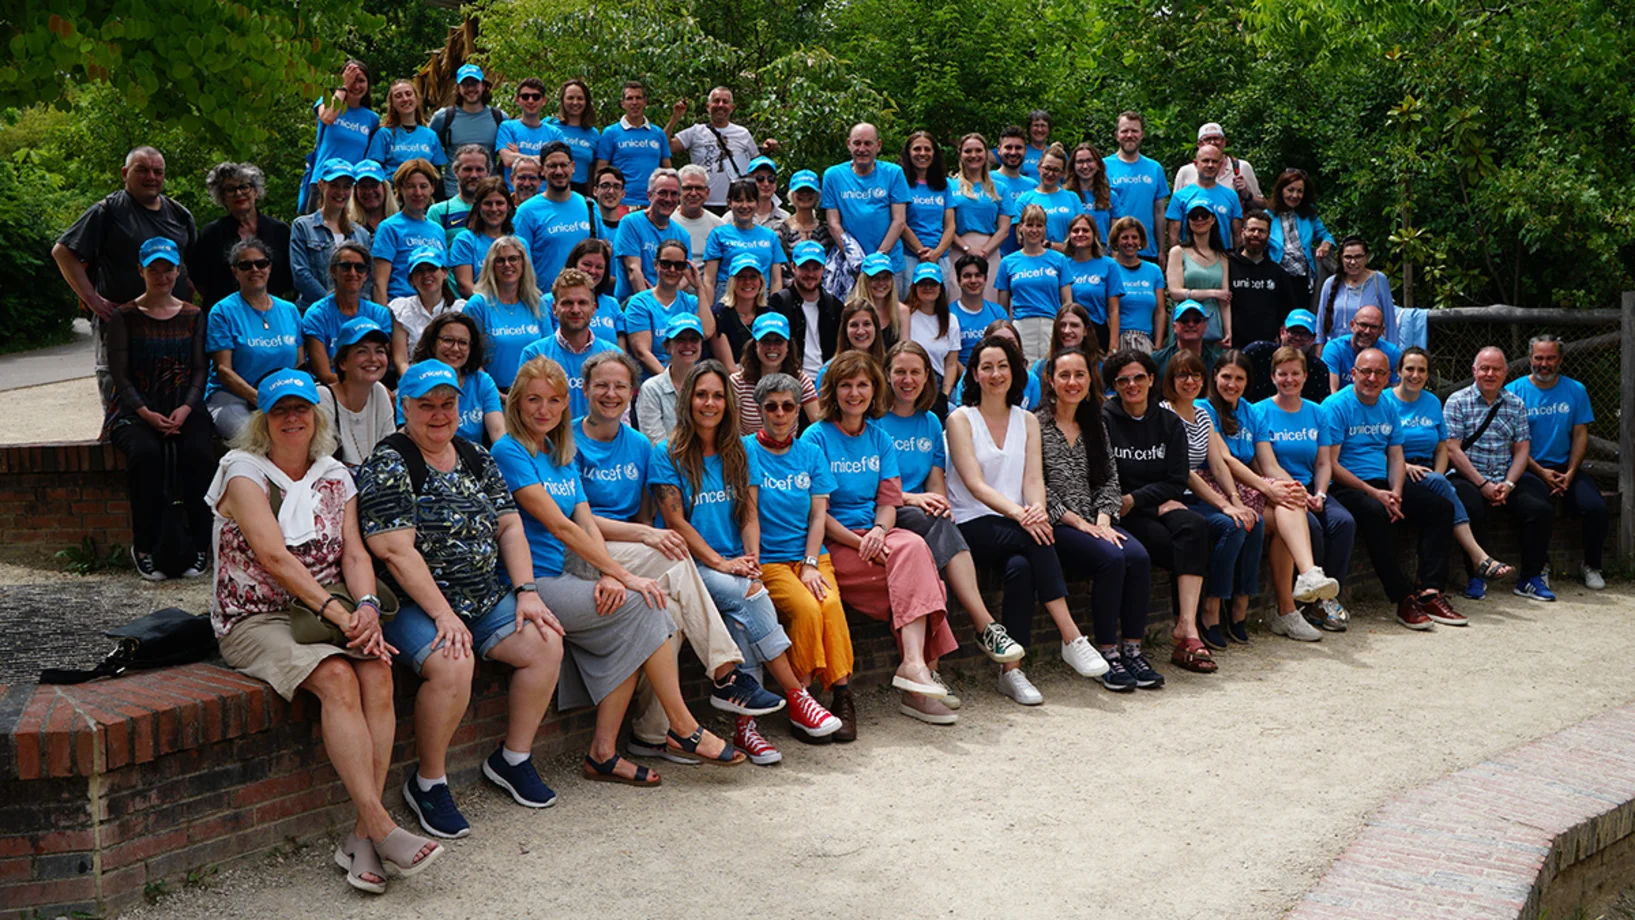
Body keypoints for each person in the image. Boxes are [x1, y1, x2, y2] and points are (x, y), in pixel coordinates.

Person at [207, 368, 443, 892]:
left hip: (324, 613)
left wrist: (363, 607)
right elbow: (273, 557)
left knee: (378, 673)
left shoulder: (335, 475)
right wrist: (341, 617)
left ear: (318, 417)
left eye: (302, 409)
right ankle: (382, 824)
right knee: (337, 676)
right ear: (263, 421)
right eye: (281, 410)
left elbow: (355, 553)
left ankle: (361, 838)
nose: (293, 418)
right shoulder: (242, 472)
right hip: (255, 618)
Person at [493, 356, 746, 781]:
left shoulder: (558, 449)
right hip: (536, 581)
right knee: (645, 605)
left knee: (644, 604)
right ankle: (681, 724)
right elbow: (558, 525)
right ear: (516, 401)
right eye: (533, 399)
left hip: (571, 573)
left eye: (554, 400)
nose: (544, 409)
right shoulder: (509, 450)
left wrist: (610, 573)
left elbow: (585, 518)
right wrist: (623, 574)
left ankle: (604, 754)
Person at [357, 361, 565, 836]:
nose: (438, 414)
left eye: (447, 404)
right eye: (425, 405)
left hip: (483, 598)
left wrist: (527, 592)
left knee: (544, 642)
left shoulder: (473, 453)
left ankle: (513, 759)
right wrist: (443, 614)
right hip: (414, 605)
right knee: (453, 661)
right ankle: (428, 783)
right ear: (403, 407)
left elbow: (509, 524)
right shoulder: (391, 461)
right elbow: (393, 548)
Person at [567, 351, 765, 762]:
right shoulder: (567, 441)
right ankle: (726, 673)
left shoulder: (639, 444)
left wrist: (641, 544)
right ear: (584, 389)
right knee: (676, 557)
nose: (610, 393)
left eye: (620, 386)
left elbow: (643, 512)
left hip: (630, 553)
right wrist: (619, 562)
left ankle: (652, 734)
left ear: (632, 393)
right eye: (601, 385)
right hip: (580, 552)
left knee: (668, 611)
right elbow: (573, 519)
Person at [649, 361, 843, 761]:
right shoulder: (666, 452)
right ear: (689, 399)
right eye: (702, 394)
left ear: (729, 402)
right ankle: (797, 696)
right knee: (750, 595)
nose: (710, 403)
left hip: (732, 563)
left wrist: (750, 558)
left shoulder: (737, 451)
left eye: (718, 395)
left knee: (742, 611)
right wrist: (722, 564)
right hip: (688, 564)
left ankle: (746, 730)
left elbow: (749, 515)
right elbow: (675, 521)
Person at [801, 351, 962, 727]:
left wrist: (878, 531)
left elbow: (889, 502)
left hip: (875, 537)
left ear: (874, 390)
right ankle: (916, 685)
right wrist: (860, 543)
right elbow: (816, 514)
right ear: (833, 390)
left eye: (862, 385)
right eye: (846, 385)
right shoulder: (815, 437)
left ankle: (914, 669)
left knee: (914, 555)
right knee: (926, 580)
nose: (854, 393)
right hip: (834, 543)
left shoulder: (879, 438)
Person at [948, 335, 1109, 705]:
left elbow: (1033, 479)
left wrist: (1036, 509)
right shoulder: (961, 419)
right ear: (973, 373)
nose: (995, 373)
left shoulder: (1027, 420)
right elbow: (973, 484)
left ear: (1015, 371)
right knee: (1035, 539)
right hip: (972, 522)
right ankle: (1071, 637)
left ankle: (1012, 672)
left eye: (1003, 365)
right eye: (986, 367)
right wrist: (1024, 515)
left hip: (1018, 525)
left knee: (1022, 567)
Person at [879, 341, 1025, 686]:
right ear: (887, 375)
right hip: (887, 508)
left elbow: (936, 478)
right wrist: (914, 499)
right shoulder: (875, 421)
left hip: (922, 513)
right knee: (938, 527)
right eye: (900, 371)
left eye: (916, 371)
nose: (908, 379)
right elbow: (868, 483)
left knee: (942, 528)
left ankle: (931, 669)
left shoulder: (930, 421)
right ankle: (984, 625)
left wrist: (940, 502)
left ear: (928, 375)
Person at [1035, 347, 1159, 691]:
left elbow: (1109, 479)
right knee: (1111, 559)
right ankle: (1107, 654)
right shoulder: (1036, 424)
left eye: (1080, 375)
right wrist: (1079, 523)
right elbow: (1036, 484)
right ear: (1050, 379)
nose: (1072, 382)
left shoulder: (1096, 422)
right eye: (1065, 375)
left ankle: (1132, 649)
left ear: (1090, 380)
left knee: (1139, 556)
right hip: (1060, 525)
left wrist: (1104, 519)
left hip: (1098, 521)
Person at [744, 372, 856, 743]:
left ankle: (842, 695)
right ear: (760, 410)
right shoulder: (746, 450)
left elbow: (818, 515)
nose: (780, 414)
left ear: (797, 412)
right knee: (806, 609)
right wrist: (755, 566)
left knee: (830, 604)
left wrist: (810, 563)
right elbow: (750, 514)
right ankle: (802, 697)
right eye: (771, 406)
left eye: (788, 407)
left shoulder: (810, 452)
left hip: (809, 554)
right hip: (771, 559)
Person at [1324, 348, 1462, 630]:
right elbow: (1331, 464)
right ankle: (1402, 598)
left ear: (1389, 377)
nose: (1372, 378)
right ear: (1353, 374)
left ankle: (1430, 591)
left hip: (1385, 483)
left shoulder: (1387, 406)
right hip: (1348, 484)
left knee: (1440, 508)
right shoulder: (1336, 405)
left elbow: (1396, 454)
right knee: (1377, 513)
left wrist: (1396, 492)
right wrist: (1377, 494)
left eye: (1379, 373)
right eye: (1365, 372)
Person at [1206, 351, 1340, 642]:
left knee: (1288, 508)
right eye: (1226, 376)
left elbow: (1268, 463)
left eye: (1239, 378)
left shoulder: (1250, 412)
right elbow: (1226, 460)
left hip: (1247, 486)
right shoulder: (1205, 409)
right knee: (1286, 508)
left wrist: (1293, 487)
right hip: (1216, 487)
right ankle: (1293, 599)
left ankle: (1300, 589)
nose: (1232, 384)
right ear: (1214, 375)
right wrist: (1268, 488)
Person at [53, 146, 197, 404]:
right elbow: (63, 252)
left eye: (158, 171)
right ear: (124, 173)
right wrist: (93, 300)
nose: (151, 177)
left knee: (172, 395)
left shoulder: (179, 214)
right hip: (120, 323)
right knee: (120, 396)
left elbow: (191, 265)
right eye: (141, 170)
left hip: (172, 326)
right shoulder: (107, 211)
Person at [106, 238, 212, 580]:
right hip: (136, 410)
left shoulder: (194, 315)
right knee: (146, 455)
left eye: (168, 268)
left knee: (199, 453)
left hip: (183, 403)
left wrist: (185, 408)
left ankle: (199, 544)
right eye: (154, 268)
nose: (162, 275)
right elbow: (119, 376)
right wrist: (146, 414)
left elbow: (199, 369)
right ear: (141, 271)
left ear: (178, 271)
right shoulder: (124, 317)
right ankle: (145, 546)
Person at [1101, 349, 1209, 673]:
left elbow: (1176, 480)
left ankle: (1187, 626)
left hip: (1150, 503)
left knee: (1197, 526)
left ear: (1151, 380)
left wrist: (1139, 497)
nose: (1132, 385)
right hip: (1121, 511)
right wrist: (1137, 501)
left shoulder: (1169, 422)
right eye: (1123, 380)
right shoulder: (1105, 419)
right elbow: (1105, 476)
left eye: (1138, 377)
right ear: (1115, 386)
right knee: (1170, 545)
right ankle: (1188, 632)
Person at [1385, 346, 1515, 601]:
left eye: (1422, 370)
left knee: (1441, 502)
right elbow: (1379, 446)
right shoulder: (1385, 402)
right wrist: (1405, 466)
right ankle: (1479, 556)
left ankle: (1434, 584)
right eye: (1409, 368)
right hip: (1399, 469)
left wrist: (1438, 474)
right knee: (1443, 504)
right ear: (1398, 371)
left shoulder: (1432, 402)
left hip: (1430, 472)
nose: (1415, 375)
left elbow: (1442, 447)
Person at [1160, 352, 1264, 653]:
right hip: (1177, 497)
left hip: (1204, 495)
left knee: (1253, 521)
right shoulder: (1165, 413)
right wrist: (1225, 506)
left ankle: (1240, 601)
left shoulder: (1204, 415)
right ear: (1171, 379)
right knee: (1232, 526)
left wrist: (1235, 499)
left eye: (1195, 375)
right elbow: (1186, 472)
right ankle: (1211, 606)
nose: (1189, 381)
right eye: (1182, 375)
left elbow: (1217, 464)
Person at [1254, 346, 1357, 633]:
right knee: (1310, 526)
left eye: (1295, 373)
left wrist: (1321, 493)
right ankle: (1302, 601)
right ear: (1273, 377)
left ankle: (1325, 599)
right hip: (1280, 486)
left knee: (1343, 522)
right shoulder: (1259, 411)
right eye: (1282, 374)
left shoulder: (1316, 412)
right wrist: (1299, 491)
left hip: (1313, 486)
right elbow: (1264, 464)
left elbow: (1324, 462)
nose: (1289, 379)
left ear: (1305, 376)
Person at [1443, 347, 1555, 601]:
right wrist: (1483, 484)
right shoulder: (1457, 401)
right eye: (1484, 368)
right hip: (1467, 474)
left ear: (1506, 373)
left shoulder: (1515, 404)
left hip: (1506, 475)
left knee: (1540, 509)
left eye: (1495, 369)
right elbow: (1452, 449)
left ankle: (1530, 577)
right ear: (1474, 371)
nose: (1489, 373)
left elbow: (1522, 449)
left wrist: (1509, 484)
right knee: (1471, 506)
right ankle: (1476, 575)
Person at [1508, 334, 1607, 589]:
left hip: (1565, 467)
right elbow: (1511, 441)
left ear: (1560, 359)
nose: (1544, 363)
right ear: (1530, 358)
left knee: (1595, 507)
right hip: (1529, 467)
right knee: (1538, 509)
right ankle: (1540, 566)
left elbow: (1580, 434)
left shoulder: (1576, 390)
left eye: (1550, 358)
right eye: (1539, 357)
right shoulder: (1514, 391)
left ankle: (1592, 565)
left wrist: (1571, 473)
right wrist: (1541, 472)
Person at [204, 239, 302, 439]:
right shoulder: (222, 312)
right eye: (245, 265)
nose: (254, 269)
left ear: (270, 267)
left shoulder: (290, 311)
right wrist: (261, 398)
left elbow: (300, 364)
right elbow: (224, 370)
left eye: (261, 263)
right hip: (233, 399)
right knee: (259, 439)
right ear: (235, 271)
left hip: (284, 399)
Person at [517, 269, 622, 418]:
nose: (575, 310)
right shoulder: (534, 354)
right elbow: (525, 411)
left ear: (593, 309)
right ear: (554, 309)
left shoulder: (614, 356)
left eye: (582, 303)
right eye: (567, 303)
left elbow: (621, 414)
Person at [822, 123, 911, 292]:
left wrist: (878, 259)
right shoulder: (833, 176)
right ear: (849, 144)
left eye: (868, 143)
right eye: (857, 143)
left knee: (890, 316)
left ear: (878, 146)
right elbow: (833, 223)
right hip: (851, 266)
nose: (862, 149)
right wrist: (856, 260)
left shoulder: (894, 173)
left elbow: (899, 220)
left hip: (889, 263)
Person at [190, 162, 292, 305]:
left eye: (244, 186)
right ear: (222, 197)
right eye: (230, 189)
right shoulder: (210, 234)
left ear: (256, 192)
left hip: (271, 312)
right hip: (225, 316)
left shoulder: (280, 231)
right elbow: (199, 280)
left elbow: (290, 278)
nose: (238, 193)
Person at [665, 87, 778, 208]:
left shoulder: (742, 133)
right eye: (716, 101)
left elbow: (756, 165)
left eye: (725, 102)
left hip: (736, 205)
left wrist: (768, 149)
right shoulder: (696, 132)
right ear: (708, 106)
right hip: (702, 203)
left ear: (732, 108)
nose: (720, 105)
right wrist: (675, 118)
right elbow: (664, 146)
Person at [301, 242, 394, 386]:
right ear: (333, 271)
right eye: (345, 266)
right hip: (330, 389)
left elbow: (379, 364)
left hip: (371, 385)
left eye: (360, 268)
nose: (353, 273)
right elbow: (324, 374)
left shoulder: (379, 314)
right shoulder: (317, 315)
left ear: (366, 275)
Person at [461, 236, 545, 392]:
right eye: (500, 260)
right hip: (491, 394)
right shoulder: (478, 305)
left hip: (532, 394)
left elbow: (548, 353)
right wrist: (494, 393)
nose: (507, 265)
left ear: (523, 263)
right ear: (491, 266)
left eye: (513, 259)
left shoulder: (537, 304)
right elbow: (469, 356)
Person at [407, 313, 504, 444]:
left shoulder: (482, 382)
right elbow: (407, 436)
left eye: (463, 343)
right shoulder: (414, 381)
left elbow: (498, 432)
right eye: (447, 340)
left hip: (474, 460)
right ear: (433, 344)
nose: (455, 348)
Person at [291, 160, 375, 310]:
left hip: (354, 314)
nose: (341, 192)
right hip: (314, 312)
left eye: (346, 187)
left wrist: (356, 307)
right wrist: (332, 305)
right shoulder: (303, 226)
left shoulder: (362, 234)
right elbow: (301, 274)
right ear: (321, 185)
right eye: (334, 185)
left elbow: (368, 279)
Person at [994, 204, 1071, 362]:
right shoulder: (1008, 262)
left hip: (1051, 325)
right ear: (1020, 227)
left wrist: (1064, 329)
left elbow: (1067, 302)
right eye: (1029, 225)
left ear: (1045, 229)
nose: (1034, 230)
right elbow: (1002, 306)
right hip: (1022, 325)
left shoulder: (1059, 259)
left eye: (1039, 225)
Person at [513, 141, 596, 286]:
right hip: (543, 301)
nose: (559, 171)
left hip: (583, 300)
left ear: (573, 167)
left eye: (564, 165)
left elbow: (600, 252)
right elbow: (518, 262)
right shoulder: (526, 212)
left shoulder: (588, 205)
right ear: (541, 170)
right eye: (552, 166)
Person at [318, 318, 396, 467]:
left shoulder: (379, 392)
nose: (373, 359)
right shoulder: (324, 397)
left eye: (379, 351)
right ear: (343, 362)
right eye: (362, 351)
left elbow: (390, 452)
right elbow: (322, 460)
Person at [301, 60, 378, 211]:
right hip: (323, 181)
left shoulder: (372, 118)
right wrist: (343, 87)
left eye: (361, 81)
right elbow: (328, 117)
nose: (356, 86)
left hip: (352, 186)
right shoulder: (327, 101)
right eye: (352, 80)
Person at [702, 178, 787, 307]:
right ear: (729, 203)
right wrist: (708, 313)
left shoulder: (770, 236)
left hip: (761, 299)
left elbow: (776, 280)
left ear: (757, 203)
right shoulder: (718, 235)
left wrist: (775, 310)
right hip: (726, 299)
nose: (744, 206)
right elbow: (709, 280)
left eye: (750, 200)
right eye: (739, 200)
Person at [948, 133, 1014, 298]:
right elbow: (947, 225)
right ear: (960, 154)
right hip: (957, 250)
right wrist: (966, 249)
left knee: (991, 299)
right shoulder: (948, 186)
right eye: (968, 151)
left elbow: (1004, 229)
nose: (973, 155)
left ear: (986, 154)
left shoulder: (1001, 188)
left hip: (990, 252)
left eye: (978, 150)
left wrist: (984, 252)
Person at [370, 159, 446, 302]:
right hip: (400, 309)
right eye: (411, 186)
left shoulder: (438, 230)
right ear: (400, 189)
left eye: (423, 186)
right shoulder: (389, 228)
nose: (418, 193)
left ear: (432, 188)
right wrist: (385, 320)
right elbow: (379, 283)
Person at [625, 241, 702, 380]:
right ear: (656, 265)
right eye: (666, 264)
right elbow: (642, 352)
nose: (672, 270)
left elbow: (708, 332)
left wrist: (699, 287)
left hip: (688, 379)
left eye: (679, 266)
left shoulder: (691, 302)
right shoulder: (640, 302)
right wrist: (670, 382)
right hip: (653, 383)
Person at [427, 64, 506, 200]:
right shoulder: (443, 118)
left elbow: (506, 157)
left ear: (483, 86)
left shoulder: (499, 118)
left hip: (488, 193)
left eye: (475, 84)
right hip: (452, 193)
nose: (470, 89)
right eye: (465, 84)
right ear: (458, 88)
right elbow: (432, 154)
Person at [768, 240, 845, 379]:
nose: (810, 274)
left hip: (828, 381)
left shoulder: (835, 306)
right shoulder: (778, 303)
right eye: (804, 268)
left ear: (823, 269)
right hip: (790, 380)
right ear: (793, 267)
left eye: (815, 268)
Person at [730, 313, 818, 432]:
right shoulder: (737, 382)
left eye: (778, 341)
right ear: (755, 346)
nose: (772, 347)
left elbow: (818, 422)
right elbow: (732, 431)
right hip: (747, 449)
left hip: (788, 449)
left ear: (788, 347)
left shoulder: (800, 379)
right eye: (765, 341)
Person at [613, 168, 689, 301]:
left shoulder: (682, 234)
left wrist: (664, 298)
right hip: (633, 304)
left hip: (668, 307)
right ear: (649, 195)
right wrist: (650, 304)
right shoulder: (631, 223)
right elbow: (633, 270)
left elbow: (685, 277)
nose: (668, 199)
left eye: (674, 194)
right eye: (662, 193)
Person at [388, 247, 464, 378]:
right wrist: (417, 385)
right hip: (415, 380)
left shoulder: (460, 309)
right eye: (419, 271)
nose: (426, 275)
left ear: (444, 273)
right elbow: (401, 361)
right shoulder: (401, 309)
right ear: (411, 280)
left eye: (432, 269)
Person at [1228, 211, 1300, 348]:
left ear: (1268, 235)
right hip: (1232, 346)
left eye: (1261, 231)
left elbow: (1289, 311)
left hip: (1268, 348)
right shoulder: (1227, 266)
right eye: (1252, 230)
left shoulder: (1278, 273)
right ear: (1243, 232)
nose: (1256, 234)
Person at [594, 81, 672, 206]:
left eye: (638, 98)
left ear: (645, 102)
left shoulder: (658, 133)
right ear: (623, 103)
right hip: (621, 203)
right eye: (629, 98)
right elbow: (601, 171)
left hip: (653, 203)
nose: (634, 102)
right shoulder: (611, 133)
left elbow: (668, 171)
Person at [1166, 198, 1232, 345]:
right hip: (1185, 320)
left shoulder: (1222, 257)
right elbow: (1175, 292)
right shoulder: (1178, 252)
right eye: (1194, 216)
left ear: (1213, 219)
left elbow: (1225, 300)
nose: (1199, 219)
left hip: (1214, 324)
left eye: (1204, 215)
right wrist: (1213, 293)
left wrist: (1228, 331)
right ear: (1188, 220)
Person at [1104, 111, 1169, 261]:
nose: (1129, 135)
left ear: (1142, 134)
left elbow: (1159, 212)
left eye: (1134, 131)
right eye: (1124, 131)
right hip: (1114, 252)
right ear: (1116, 135)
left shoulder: (1154, 168)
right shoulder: (1104, 166)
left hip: (1147, 249)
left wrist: (1161, 250)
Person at [899, 263, 962, 411]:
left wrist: (944, 394)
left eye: (933, 283)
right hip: (911, 381)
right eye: (923, 283)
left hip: (938, 384)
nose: (928, 287)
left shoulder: (950, 320)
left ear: (941, 288)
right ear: (914, 287)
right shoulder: (905, 315)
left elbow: (951, 364)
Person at [1267, 168, 1334, 303]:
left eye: (1300, 191)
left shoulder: (1308, 215)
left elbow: (1326, 235)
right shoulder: (1267, 215)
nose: (1295, 195)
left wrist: (1325, 244)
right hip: (1276, 277)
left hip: (1302, 278)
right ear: (1281, 190)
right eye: (1290, 190)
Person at [542, 238, 624, 348]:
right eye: (587, 264)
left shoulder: (612, 304)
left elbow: (621, 352)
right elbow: (546, 347)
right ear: (574, 263)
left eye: (599, 267)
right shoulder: (547, 302)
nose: (592, 271)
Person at [637, 313, 708, 442]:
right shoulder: (652, 389)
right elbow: (655, 442)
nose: (688, 345)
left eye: (694, 340)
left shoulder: (710, 386)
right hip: (666, 461)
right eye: (680, 339)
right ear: (667, 346)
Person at [1316, 236, 1398, 345]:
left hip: (1371, 351)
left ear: (1367, 257)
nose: (1353, 262)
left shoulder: (1378, 280)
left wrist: (1393, 353)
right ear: (1341, 258)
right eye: (1348, 257)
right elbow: (1321, 323)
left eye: (1358, 257)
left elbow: (1390, 321)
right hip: (1339, 351)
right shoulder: (1330, 284)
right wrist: (1319, 352)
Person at [899, 131, 955, 286]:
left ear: (934, 153)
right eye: (917, 149)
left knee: (938, 307)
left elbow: (950, 226)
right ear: (908, 153)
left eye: (927, 149)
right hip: (910, 257)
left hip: (940, 258)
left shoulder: (944, 185)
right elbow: (900, 222)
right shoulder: (900, 183)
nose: (922, 153)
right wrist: (922, 252)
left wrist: (936, 253)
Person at [1062, 213, 1124, 351]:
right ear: (1069, 235)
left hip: (1097, 331)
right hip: (1068, 331)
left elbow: (1114, 310)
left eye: (1085, 230)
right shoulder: (1062, 265)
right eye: (1075, 230)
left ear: (1094, 235)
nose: (1080, 234)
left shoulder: (1109, 265)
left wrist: (1113, 346)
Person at [1166, 145, 1242, 255]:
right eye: (1206, 161)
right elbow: (1173, 236)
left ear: (1220, 165)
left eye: (1214, 161)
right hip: (1190, 258)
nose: (1210, 165)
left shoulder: (1231, 196)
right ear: (1196, 164)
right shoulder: (1180, 196)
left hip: (1223, 258)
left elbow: (1237, 236)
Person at [1107, 216, 1167, 353]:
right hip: (1117, 341)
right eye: (1125, 237)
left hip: (1145, 342)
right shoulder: (1109, 267)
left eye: (1134, 237)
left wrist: (1157, 346)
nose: (1130, 242)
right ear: (1116, 240)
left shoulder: (1154, 271)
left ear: (1141, 241)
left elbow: (1160, 311)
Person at [1243, 308, 1329, 403]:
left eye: (1304, 334)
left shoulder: (1318, 369)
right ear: (1282, 332)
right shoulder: (1257, 353)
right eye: (1293, 332)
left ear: (1312, 339)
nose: (1297, 338)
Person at [449, 177, 514, 298]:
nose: (494, 209)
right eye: (488, 203)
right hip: (479, 309)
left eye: (499, 203)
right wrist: (495, 305)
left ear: (508, 206)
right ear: (478, 206)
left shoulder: (518, 242)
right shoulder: (465, 241)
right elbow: (465, 285)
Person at [1172, 123, 1263, 209]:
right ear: (1199, 144)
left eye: (1216, 138)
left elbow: (1264, 205)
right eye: (1207, 139)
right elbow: (1176, 208)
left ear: (1224, 142)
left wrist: (1247, 195)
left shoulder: (1241, 167)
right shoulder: (1186, 172)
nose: (1213, 142)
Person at [365, 79, 446, 176]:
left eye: (408, 94)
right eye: (398, 96)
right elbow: (373, 170)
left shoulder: (430, 136)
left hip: (422, 190)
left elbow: (437, 174)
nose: (405, 99)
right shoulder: (384, 134)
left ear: (416, 99)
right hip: (392, 188)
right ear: (392, 103)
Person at [495, 78, 565, 189]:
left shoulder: (555, 133)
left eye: (536, 97)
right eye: (525, 96)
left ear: (544, 100)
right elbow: (508, 160)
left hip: (544, 196)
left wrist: (518, 157)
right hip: (513, 195)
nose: (530, 101)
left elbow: (556, 164)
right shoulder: (507, 127)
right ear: (518, 100)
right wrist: (544, 159)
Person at [708, 254, 772, 373]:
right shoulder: (719, 314)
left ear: (761, 282)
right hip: (732, 381)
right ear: (732, 282)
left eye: (753, 277)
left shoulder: (768, 314)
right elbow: (729, 367)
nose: (747, 282)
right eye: (741, 277)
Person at [1321, 304, 1401, 391]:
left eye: (1373, 327)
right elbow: (1331, 391)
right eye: (1363, 325)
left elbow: (1395, 394)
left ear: (1381, 331)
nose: (1367, 331)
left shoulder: (1392, 354)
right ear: (1352, 325)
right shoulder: (1335, 348)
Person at [1014, 144, 1081, 247]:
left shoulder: (1072, 198)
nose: (1050, 174)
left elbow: (1081, 235)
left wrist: (1051, 246)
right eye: (1047, 168)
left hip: (1069, 260)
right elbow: (1020, 238)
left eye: (1056, 170)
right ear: (1039, 167)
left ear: (1063, 173)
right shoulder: (1024, 200)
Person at [950, 254, 1009, 369]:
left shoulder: (998, 313)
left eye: (978, 275)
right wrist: (969, 378)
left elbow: (1008, 349)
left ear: (985, 279)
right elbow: (949, 357)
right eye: (967, 276)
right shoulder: (949, 314)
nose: (973, 281)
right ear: (958, 280)